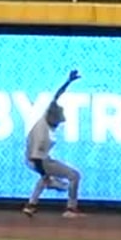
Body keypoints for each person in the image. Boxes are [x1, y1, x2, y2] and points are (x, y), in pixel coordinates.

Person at [23, 69, 85, 219]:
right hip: (35, 160)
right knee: (74, 176)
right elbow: (36, 159)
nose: (62, 118)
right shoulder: (42, 133)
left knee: (48, 177)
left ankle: (31, 205)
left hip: (40, 158)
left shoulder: (47, 115)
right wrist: (45, 175)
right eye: (60, 115)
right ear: (54, 117)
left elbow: (56, 96)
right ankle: (71, 209)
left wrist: (68, 81)